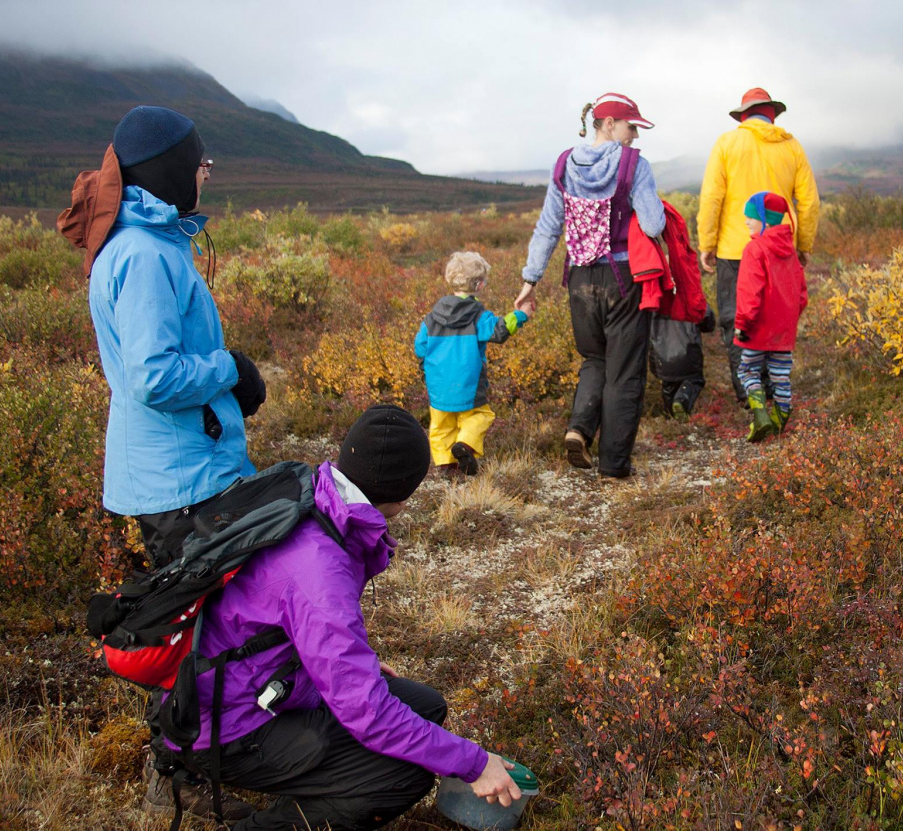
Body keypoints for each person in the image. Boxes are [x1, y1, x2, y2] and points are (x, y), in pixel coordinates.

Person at [59, 104, 267, 821]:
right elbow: (152, 376)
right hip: (182, 478)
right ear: (171, 169)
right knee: (195, 630)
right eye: (201, 162)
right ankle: (177, 777)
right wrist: (229, 370)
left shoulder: (142, 241)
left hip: (172, 469)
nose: (207, 173)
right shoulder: (145, 254)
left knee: (195, 621)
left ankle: (198, 761)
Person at [172, 404, 523, 829]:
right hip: (223, 726)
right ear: (403, 491)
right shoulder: (320, 566)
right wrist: (475, 763)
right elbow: (367, 713)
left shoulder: (315, 498)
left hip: (247, 684)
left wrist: (359, 665)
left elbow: (282, 624)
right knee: (403, 777)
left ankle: (317, 777)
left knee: (425, 706)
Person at [516, 92, 665, 479]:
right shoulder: (636, 165)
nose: (635, 136)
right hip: (623, 279)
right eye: (632, 127)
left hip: (580, 282)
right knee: (625, 371)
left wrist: (530, 279)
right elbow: (653, 225)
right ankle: (614, 465)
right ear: (610, 124)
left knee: (594, 360)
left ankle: (579, 429)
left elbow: (549, 226)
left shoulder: (564, 164)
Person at [696, 87, 819, 404]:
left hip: (734, 250)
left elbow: (711, 198)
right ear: (772, 115)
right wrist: (803, 244)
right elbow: (808, 202)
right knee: (774, 316)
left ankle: (750, 394)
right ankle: (774, 388)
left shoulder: (727, 143)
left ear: (744, 116)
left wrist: (707, 243)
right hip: (780, 249)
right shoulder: (792, 147)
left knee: (737, 319)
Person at [414, 252, 532, 476]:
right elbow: (500, 330)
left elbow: (420, 346)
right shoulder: (478, 315)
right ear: (478, 285)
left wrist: (425, 369)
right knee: (480, 416)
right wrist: (521, 314)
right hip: (469, 384)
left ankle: (447, 467)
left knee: (440, 427)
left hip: (438, 385)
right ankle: (466, 445)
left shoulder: (431, 317)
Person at [732, 192, 808, 442]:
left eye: (751, 217)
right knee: (780, 374)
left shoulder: (755, 249)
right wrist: (788, 319)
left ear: (765, 220)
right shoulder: (791, 250)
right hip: (783, 331)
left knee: (748, 370)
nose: (746, 222)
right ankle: (781, 417)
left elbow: (749, 293)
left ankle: (761, 415)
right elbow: (802, 295)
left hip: (756, 328)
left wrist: (742, 324)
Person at [649, 305, 717, 420]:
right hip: (688, 352)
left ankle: (670, 421)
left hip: (661, 355)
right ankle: (681, 400)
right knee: (695, 380)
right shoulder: (691, 292)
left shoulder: (653, 293)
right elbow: (708, 321)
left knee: (668, 385)